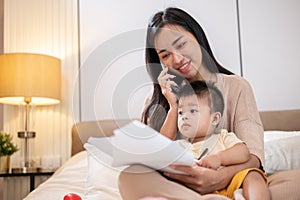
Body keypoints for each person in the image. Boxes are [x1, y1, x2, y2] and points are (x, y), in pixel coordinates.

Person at [118, 7, 300, 200]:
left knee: (288, 183)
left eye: (181, 45)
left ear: (197, 38)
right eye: (165, 55)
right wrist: (171, 106)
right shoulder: (157, 99)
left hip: (231, 181)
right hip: (179, 186)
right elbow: (152, 161)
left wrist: (219, 178)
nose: (177, 59)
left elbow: (253, 157)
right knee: (129, 176)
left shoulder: (236, 87)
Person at [176, 80, 269, 199]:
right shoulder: (178, 146)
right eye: (180, 112)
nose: (184, 117)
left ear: (215, 118)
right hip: (193, 191)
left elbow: (244, 153)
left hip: (228, 185)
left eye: (193, 111)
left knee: (253, 175)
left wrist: (219, 158)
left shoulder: (223, 137)